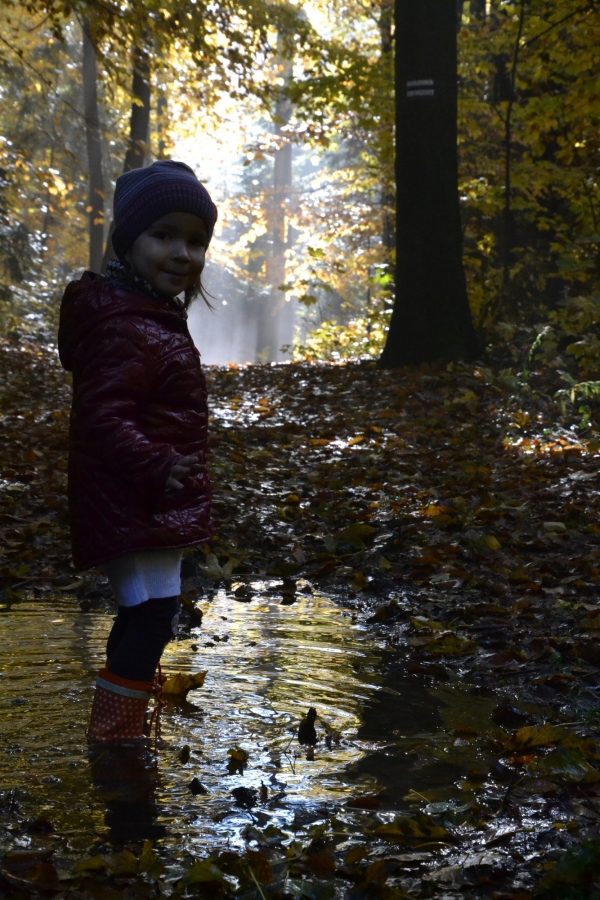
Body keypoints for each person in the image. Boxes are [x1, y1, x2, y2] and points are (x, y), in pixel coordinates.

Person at [58, 160, 218, 742]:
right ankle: (117, 737)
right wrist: (155, 464)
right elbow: (102, 415)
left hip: (148, 494)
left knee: (145, 611)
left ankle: (119, 723)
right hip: (134, 494)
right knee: (153, 614)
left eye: (196, 241)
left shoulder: (148, 315)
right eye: (164, 235)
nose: (182, 252)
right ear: (128, 243)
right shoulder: (124, 321)